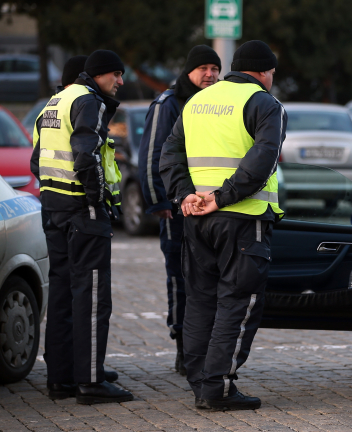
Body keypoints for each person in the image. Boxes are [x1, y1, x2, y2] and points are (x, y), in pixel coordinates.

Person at [160, 40, 285, 411]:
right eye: (272, 74)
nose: (272, 80)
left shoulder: (197, 101)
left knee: (199, 300)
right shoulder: (264, 103)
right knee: (238, 302)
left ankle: (201, 382)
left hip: (197, 219)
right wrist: (224, 196)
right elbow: (263, 159)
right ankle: (218, 388)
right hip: (243, 218)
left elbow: (170, 153)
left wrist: (184, 195)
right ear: (263, 72)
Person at [30, 49, 133, 405]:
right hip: (81, 211)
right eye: (116, 75)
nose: (120, 82)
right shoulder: (89, 101)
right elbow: (85, 155)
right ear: (100, 74)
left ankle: (61, 378)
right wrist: (94, 199)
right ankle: (90, 381)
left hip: (54, 207)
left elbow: (35, 161)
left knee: (61, 293)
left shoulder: (53, 103)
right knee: (90, 297)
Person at [138, 45, 221, 376]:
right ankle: (183, 347)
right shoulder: (169, 104)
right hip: (176, 210)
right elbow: (152, 156)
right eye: (202, 68)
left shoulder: (217, 105)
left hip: (209, 209)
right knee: (180, 277)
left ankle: (204, 349)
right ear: (188, 71)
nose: (209, 74)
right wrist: (159, 202)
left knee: (207, 278)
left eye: (214, 68)